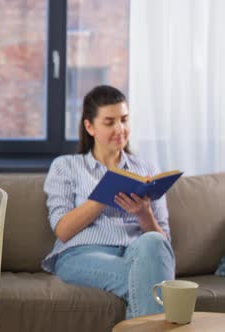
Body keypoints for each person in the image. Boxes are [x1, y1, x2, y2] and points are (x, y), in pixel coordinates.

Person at [42, 85, 175, 319]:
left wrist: (144, 214)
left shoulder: (146, 169)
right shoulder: (66, 166)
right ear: (89, 126)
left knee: (153, 244)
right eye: (109, 122)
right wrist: (105, 193)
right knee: (151, 282)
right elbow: (62, 230)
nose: (120, 129)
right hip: (81, 254)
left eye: (124, 120)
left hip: (138, 252)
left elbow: (164, 246)